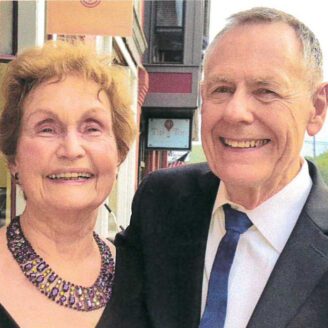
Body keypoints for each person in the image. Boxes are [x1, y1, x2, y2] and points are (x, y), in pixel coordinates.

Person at [105, 7, 328, 328]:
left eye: (266, 91)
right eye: (221, 89)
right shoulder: (162, 201)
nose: (236, 112)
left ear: (317, 108)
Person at [0, 41, 135, 327]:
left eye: (92, 128)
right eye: (47, 128)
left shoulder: (143, 277)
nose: (71, 149)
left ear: (118, 153)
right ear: (14, 158)